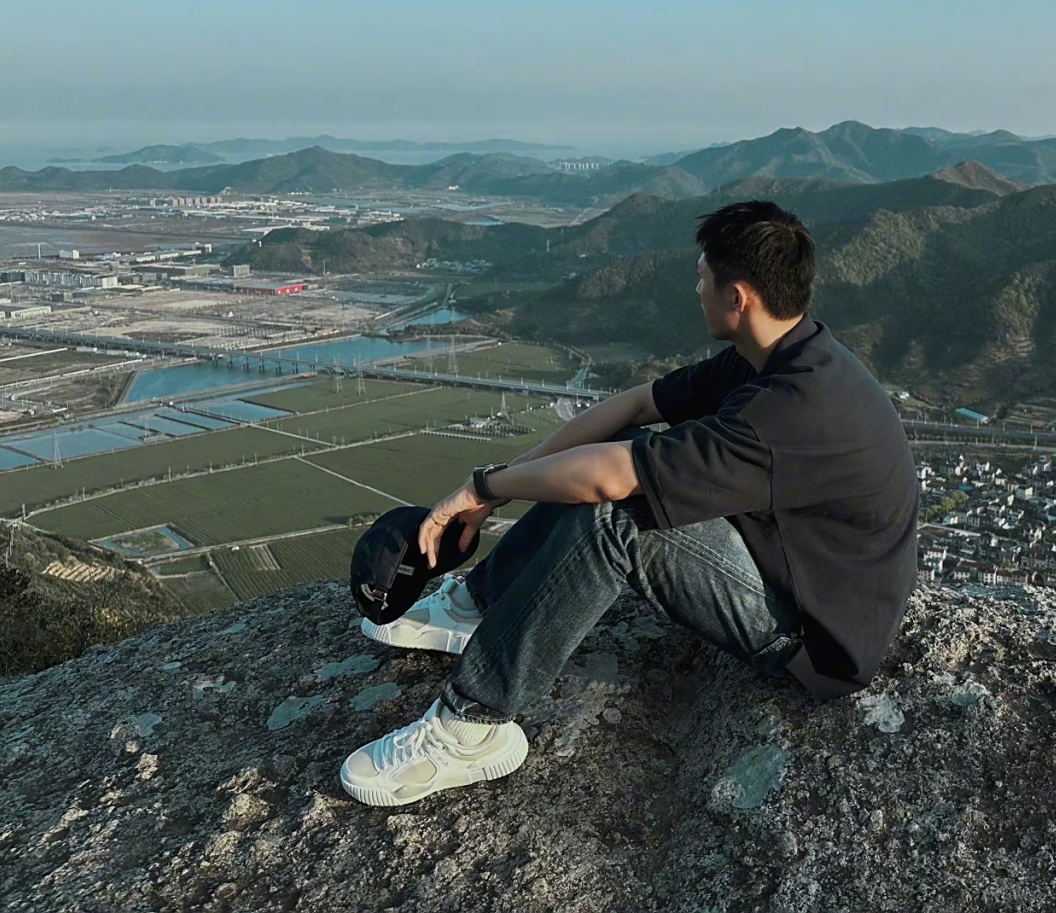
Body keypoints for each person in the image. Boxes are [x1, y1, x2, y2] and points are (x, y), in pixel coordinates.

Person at [339, 199, 919, 808]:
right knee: (624, 456)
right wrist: (499, 482)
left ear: (738, 297)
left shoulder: (791, 407)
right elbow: (634, 408)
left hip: (813, 638)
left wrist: (484, 489)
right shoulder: (778, 357)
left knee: (618, 512)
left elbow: (610, 481)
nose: (696, 289)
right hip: (787, 566)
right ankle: (482, 604)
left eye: (702, 277)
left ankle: (472, 726)